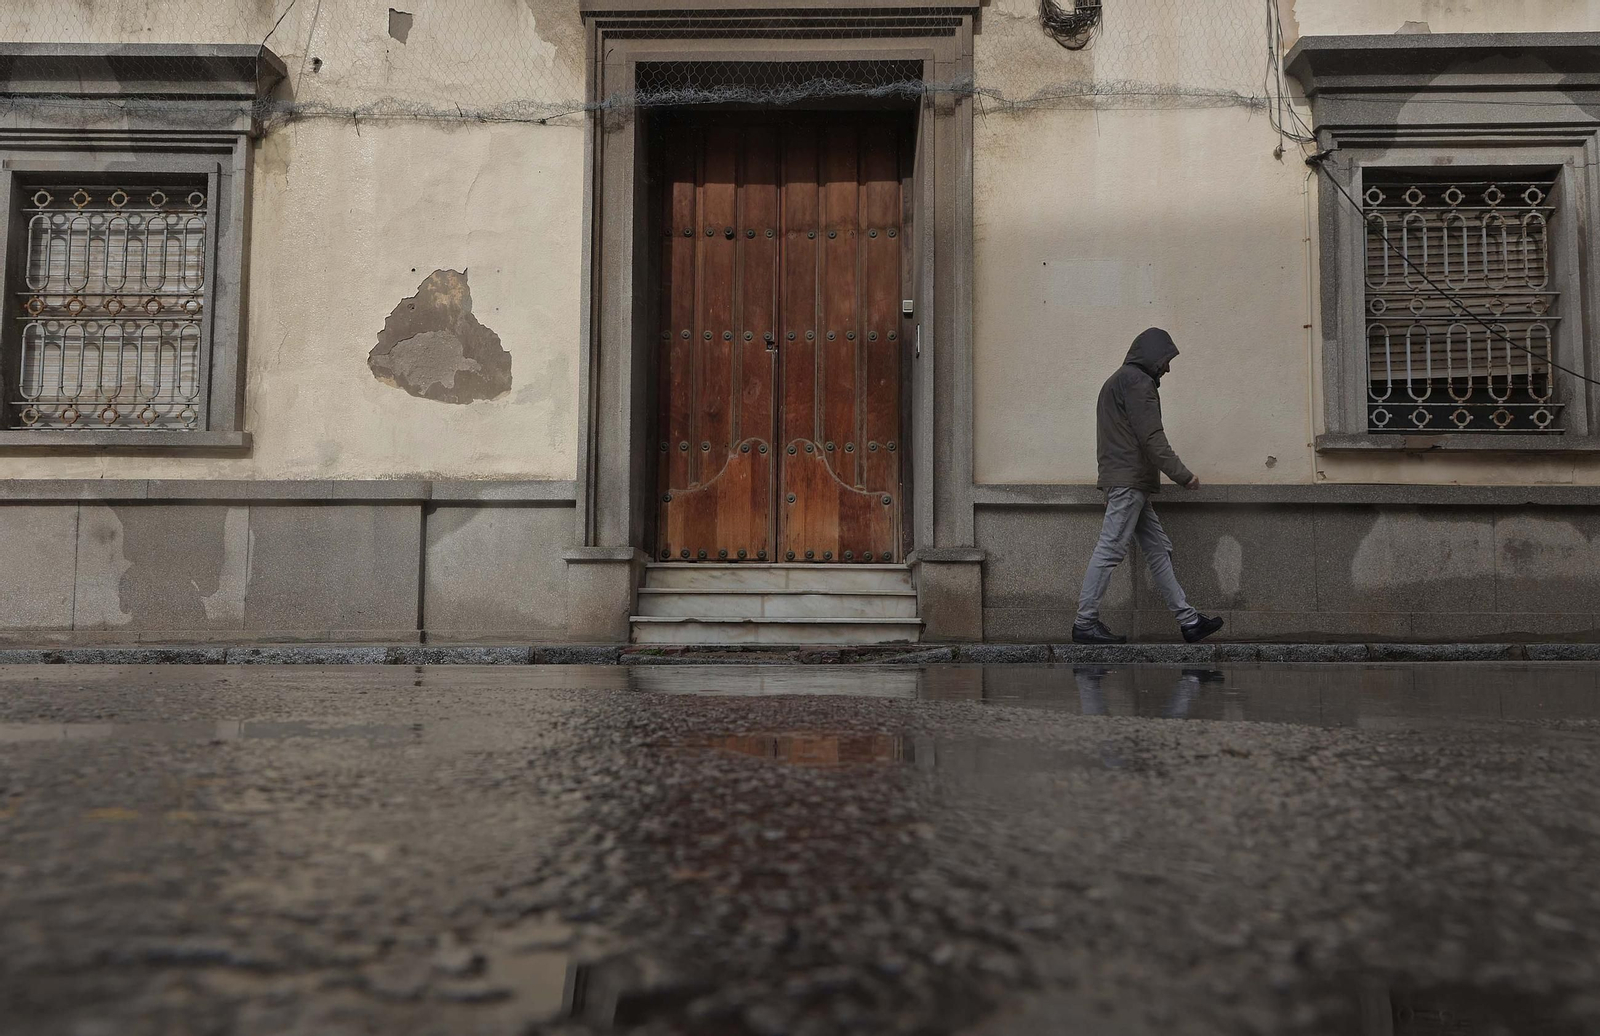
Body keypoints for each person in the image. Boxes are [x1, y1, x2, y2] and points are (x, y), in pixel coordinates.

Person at [1072, 327, 1225, 646]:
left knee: (1158, 548)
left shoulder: (1116, 381)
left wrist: (1109, 484)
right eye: (1166, 360)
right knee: (1110, 548)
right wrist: (1182, 475)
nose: (1167, 368)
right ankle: (1085, 623)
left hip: (1126, 481)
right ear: (1153, 356)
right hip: (1129, 483)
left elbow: (1111, 440)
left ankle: (1189, 621)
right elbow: (1151, 436)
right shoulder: (1137, 382)